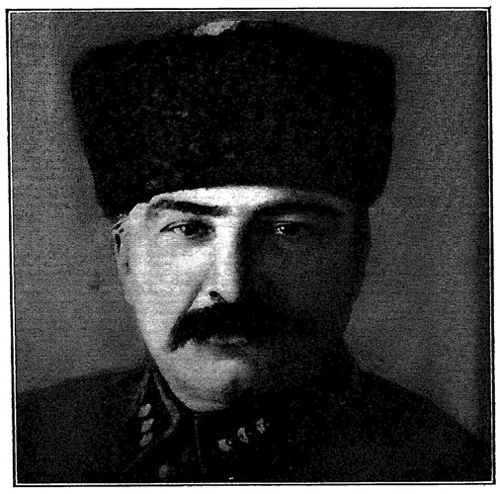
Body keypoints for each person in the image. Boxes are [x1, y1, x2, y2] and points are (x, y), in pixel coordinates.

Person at [15, 19, 491, 484]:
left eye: (288, 230)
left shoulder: (445, 469)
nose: (232, 286)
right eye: (189, 229)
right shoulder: (32, 441)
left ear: (356, 256)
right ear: (125, 259)